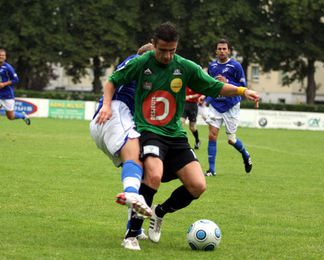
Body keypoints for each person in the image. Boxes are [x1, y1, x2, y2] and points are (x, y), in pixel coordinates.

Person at [96, 22, 259, 250]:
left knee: (198, 185)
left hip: (176, 135)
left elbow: (214, 87)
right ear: (154, 45)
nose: (167, 55)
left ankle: (159, 213)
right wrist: (106, 106)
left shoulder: (185, 67)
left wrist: (243, 91)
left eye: (172, 50)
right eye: (162, 50)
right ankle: (131, 234)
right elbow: (112, 81)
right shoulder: (142, 62)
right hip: (150, 131)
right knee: (153, 175)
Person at [90, 43, 155, 238]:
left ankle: (132, 226)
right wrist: (108, 106)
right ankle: (131, 195)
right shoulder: (138, 61)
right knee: (135, 160)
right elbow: (112, 81)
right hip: (114, 114)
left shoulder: (144, 81)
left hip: (108, 124)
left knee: (140, 168)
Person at [202, 39, 253, 176]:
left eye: (225, 49)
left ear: (229, 50)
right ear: (216, 51)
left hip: (231, 105)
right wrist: (205, 98)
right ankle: (211, 170)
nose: (222, 51)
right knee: (212, 136)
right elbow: (212, 86)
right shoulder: (212, 66)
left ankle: (245, 154)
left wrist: (227, 82)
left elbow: (243, 86)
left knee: (231, 140)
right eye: (220, 48)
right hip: (216, 106)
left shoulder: (235, 66)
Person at [0, 49, 30, 141]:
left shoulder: (8, 67)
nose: (1, 57)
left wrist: (3, 84)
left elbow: (16, 80)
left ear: (5, 57)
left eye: (3, 55)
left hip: (7, 95)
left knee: (10, 116)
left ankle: (23, 116)